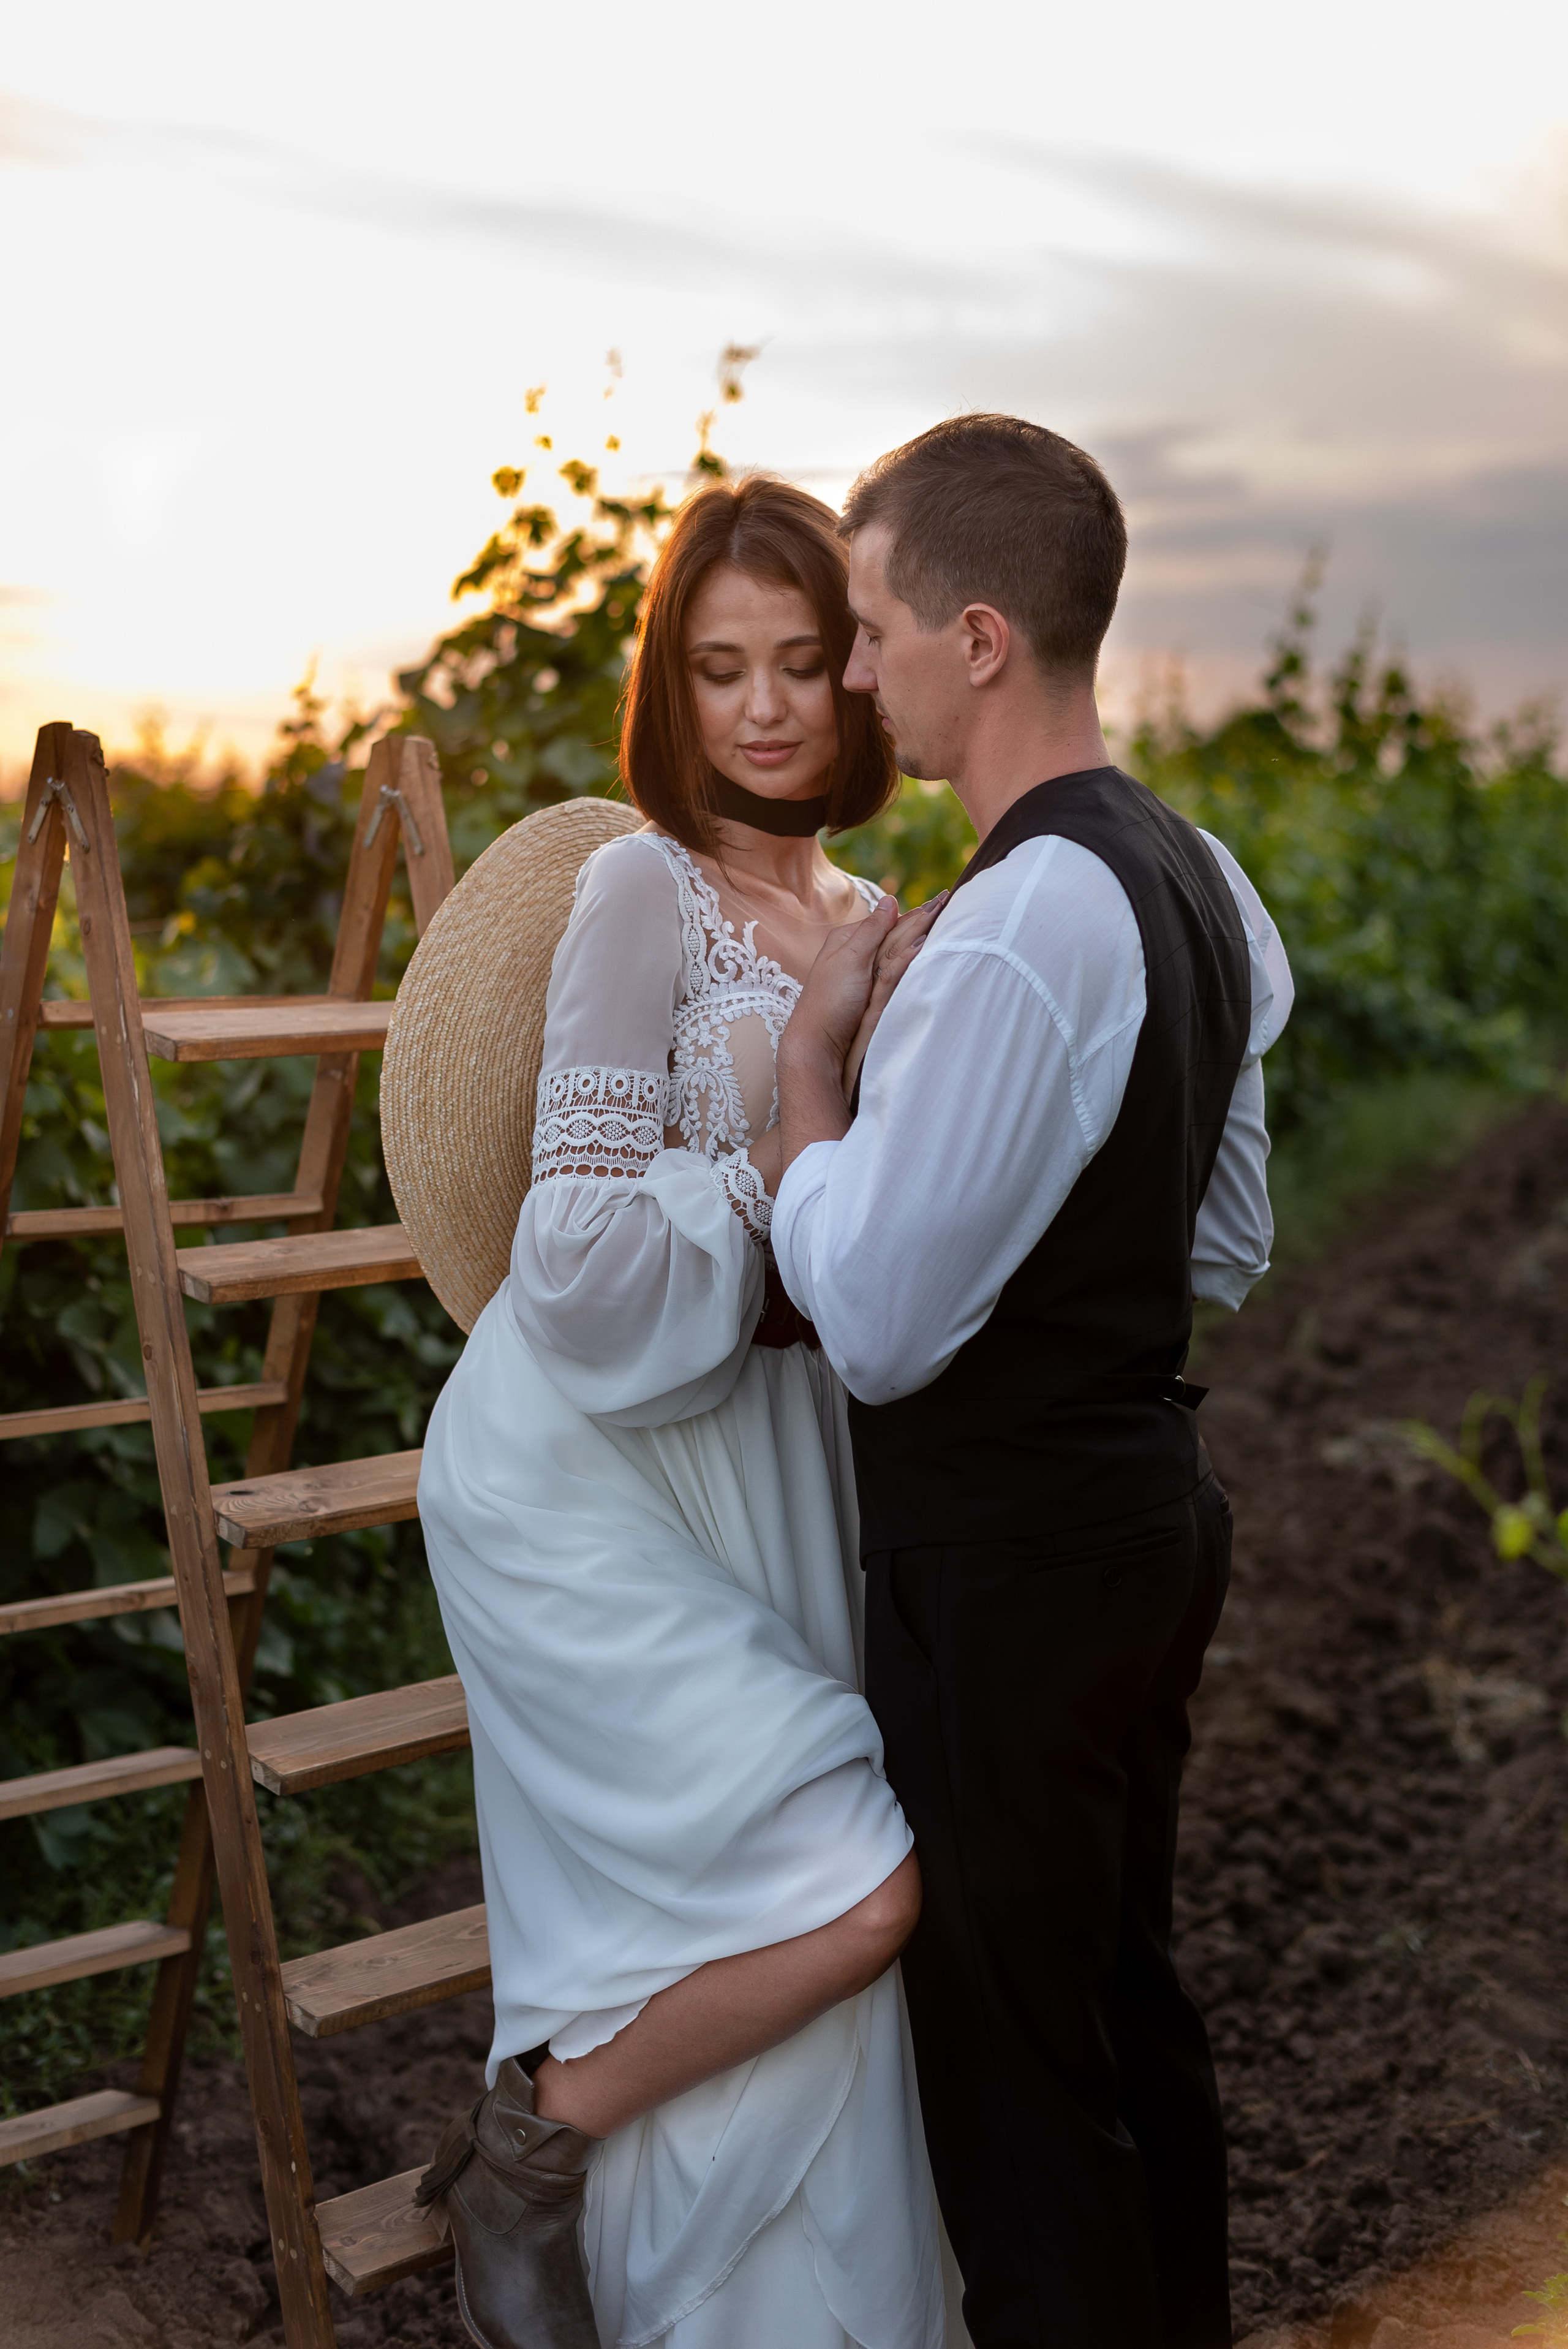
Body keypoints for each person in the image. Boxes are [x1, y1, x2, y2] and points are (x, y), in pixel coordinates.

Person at [767, 415, 1295, 2349]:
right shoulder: (1197, 875)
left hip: (1008, 1561)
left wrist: (819, 1097)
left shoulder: (1008, 925)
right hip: (1148, 1513)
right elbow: (1217, 1241)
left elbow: (883, 1320)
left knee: (1016, 2084)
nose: (848, 674)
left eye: (873, 628)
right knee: (1122, 2012)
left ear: (979, 637)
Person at [413, 474, 952, 2349]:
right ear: (674, 686)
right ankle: (532, 2143)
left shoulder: (878, 911)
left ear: (863, 677)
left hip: (764, 1453)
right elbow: (564, 1255)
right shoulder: (642, 888)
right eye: (721, 667)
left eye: (807, 660)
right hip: (576, 1463)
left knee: (786, 1929)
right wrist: (789, 1124)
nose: (769, 706)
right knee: (856, 1882)